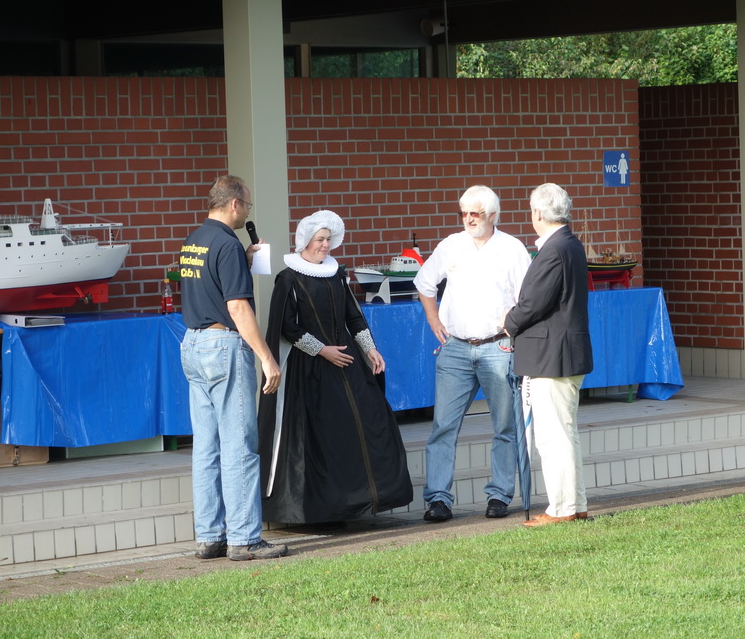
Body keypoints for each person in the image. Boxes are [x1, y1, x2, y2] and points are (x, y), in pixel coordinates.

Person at [258, 210, 413, 525]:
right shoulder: (288, 278)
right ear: (305, 240)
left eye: (328, 239)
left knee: (364, 422)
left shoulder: (336, 274)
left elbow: (352, 316)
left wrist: (370, 349)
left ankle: (354, 501)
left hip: (346, 363)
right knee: (319, 436)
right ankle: (319, 511)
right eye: (320, 239)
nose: (325, 245)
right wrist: (322, 350)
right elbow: (287, 326)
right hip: (309, 370)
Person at [178, 174, 288, 560]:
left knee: (206, 448)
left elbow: (208, 284)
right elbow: (237, 307)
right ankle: (244, 538)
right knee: (240, 445)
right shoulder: (227, 244)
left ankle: (210, 536)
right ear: (235, 204)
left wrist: (243, 261)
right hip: (224, 346)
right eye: (248, 205)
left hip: (193, 343)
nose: (247, 213)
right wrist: (267, 357)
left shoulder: (194, 240)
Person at [414, 185, 531, 522]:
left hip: (499, 345)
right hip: (456, 348)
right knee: (443, 426)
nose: (468, 219)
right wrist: (433, 319)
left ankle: (500, 495)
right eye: (463, 213)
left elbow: (528, 298)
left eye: (475, 214)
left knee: (505, 426)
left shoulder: (511, 248)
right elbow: (424, 282)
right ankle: (438, 499)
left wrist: (514, 330)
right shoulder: (451, 245)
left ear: (492, 215)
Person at [503, 182, 594, 526]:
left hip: (552, 357)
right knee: (564, 434)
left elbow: (533, 304)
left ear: (538, 213)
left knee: (553, 437)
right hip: (561, 353)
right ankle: (574, 504)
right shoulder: (570, 243)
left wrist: (508, 321)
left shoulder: (554, 249)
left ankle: (562, 508)